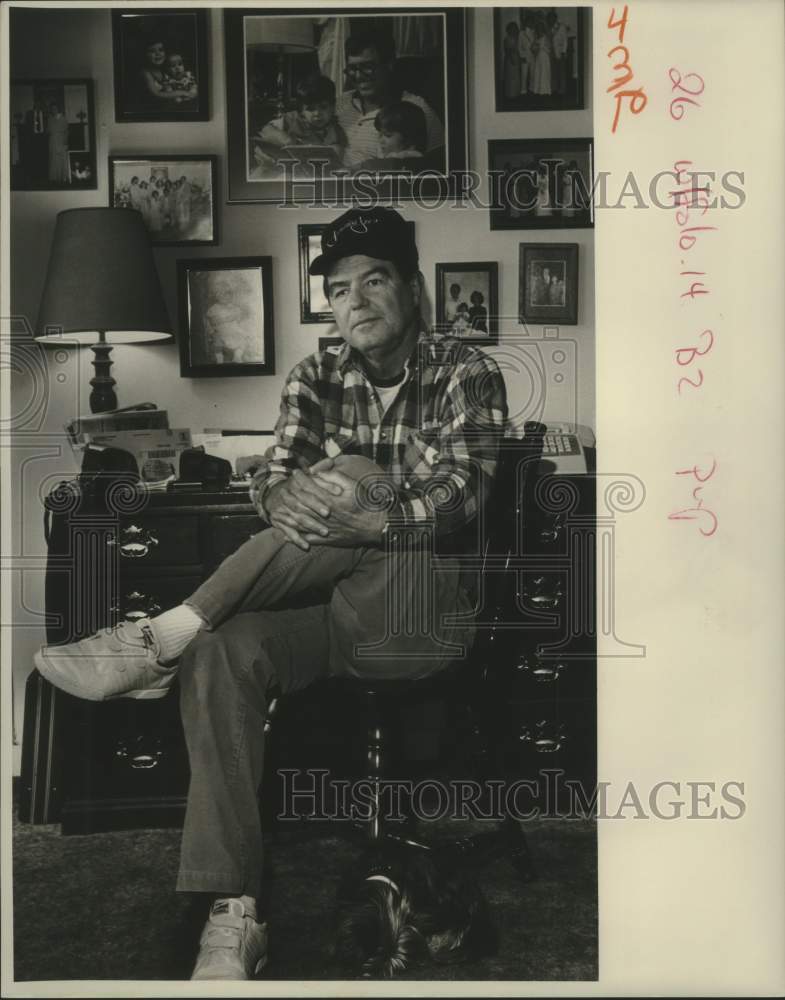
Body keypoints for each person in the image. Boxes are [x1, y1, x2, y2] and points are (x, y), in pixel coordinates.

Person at [34, 206, 507, 982]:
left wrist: (364, 499)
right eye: (339, 289)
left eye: (374, 281)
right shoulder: (315, 375)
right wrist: (284, 496)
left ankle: (159, 635)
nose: (353, 303)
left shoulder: (465, 369)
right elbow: (277, 482)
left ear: (414, 290)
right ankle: (232, 910)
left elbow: (462, 496)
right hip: (340, 615)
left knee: (351, 474)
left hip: (421, 614)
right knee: (223, 650)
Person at [335, 28, 445, 169]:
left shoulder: (416, 108)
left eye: (367, 67)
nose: (358, 76)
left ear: (389, 64)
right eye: (352, 69)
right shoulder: (338, 103)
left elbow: (439, 164)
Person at [251, 73, 347, 179]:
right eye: (310, 109)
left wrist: (330, 153)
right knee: (260, 173)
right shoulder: (293, 119)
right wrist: (286, 139)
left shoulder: (335, 129)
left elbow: (337, 155)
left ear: (333, 107)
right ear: (301, 110)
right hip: (282, 166)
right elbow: (266, 129)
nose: (317, 113)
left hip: (311, 172)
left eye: (323, 107)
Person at [356, 101, 427, 173]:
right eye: (380, 135)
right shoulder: (390, 157)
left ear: (410, 139)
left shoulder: (408, 160)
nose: (381, 141)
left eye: (388, 135)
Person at [502, 22, 522, 100]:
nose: (514, 30)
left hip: (516, 58)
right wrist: (511, 59)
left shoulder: (516, 37)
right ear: (509, 30)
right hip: (510, 59)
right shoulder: (507, 38)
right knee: (510, 78)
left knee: (516, 77)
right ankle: (510, 95)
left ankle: (516, 93)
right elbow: (507, 51)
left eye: (515, 28)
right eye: (512, 28)